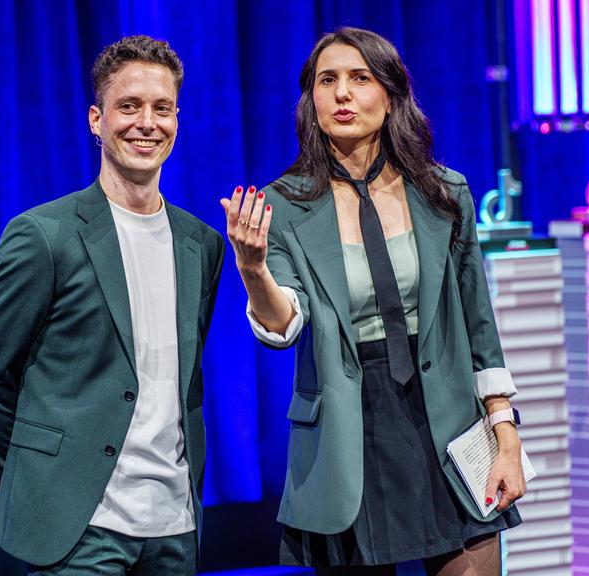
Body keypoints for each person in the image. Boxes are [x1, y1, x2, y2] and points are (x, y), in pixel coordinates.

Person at [221, 27, 525, 575]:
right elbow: (284, 324)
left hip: (448, 426)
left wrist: (505, 437)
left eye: (360, 79)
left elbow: (480, 326)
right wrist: (253, 270)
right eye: (327, 80)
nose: (342, 94)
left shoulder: (444, 193)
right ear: (310, 102)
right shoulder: (283, 206)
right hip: (348, 435)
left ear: (390, 97)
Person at [0, 35, 224, 575]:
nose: (146, 123)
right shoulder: (43, 235)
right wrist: (25, 481)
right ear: (96, 120)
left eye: (162, 108)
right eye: (128, 107)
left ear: (178, 118)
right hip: (78, 532)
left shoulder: (201, 242)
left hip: (175, 528)